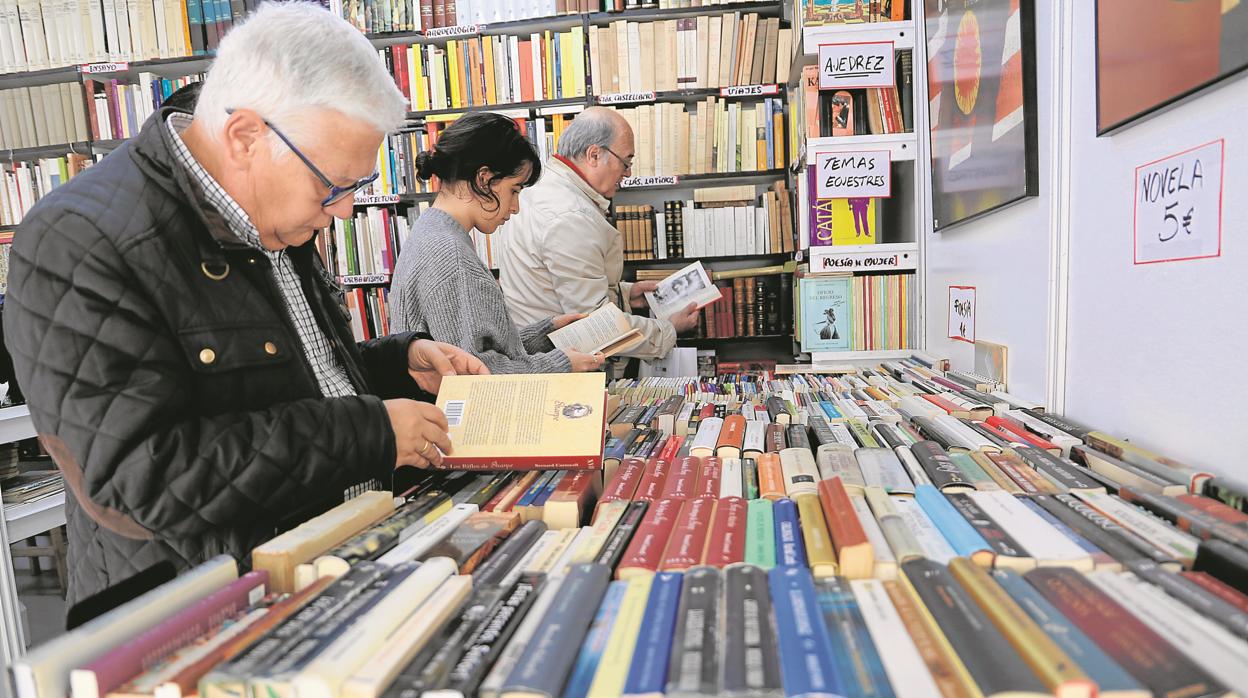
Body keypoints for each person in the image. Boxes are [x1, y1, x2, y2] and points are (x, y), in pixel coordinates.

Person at [1, 2, 487, 607]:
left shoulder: (270, 208)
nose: (342, 212)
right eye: (333, 187)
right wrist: (367, 431)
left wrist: (394, 362)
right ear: (245, 137)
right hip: (206, 617)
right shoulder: (81, 240)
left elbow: (273, 374)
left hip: (322, 569)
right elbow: (139, 477)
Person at [388, 112, 605, 374]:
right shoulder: (450, 255)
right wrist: (561, 364)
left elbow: (468, 345)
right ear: (484, 179)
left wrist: (545, 334)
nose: (515, 208)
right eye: (514, 190)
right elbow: (478, 372)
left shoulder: (431, 230)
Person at [495, 107, 700, 375]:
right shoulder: (570, 216)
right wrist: (669, 329)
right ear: (594, 155)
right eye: (626, 162)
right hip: (564, 368)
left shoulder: (544, 185)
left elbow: (556, 282)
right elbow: (594, 325)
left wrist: (627, 294)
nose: (627, 174)